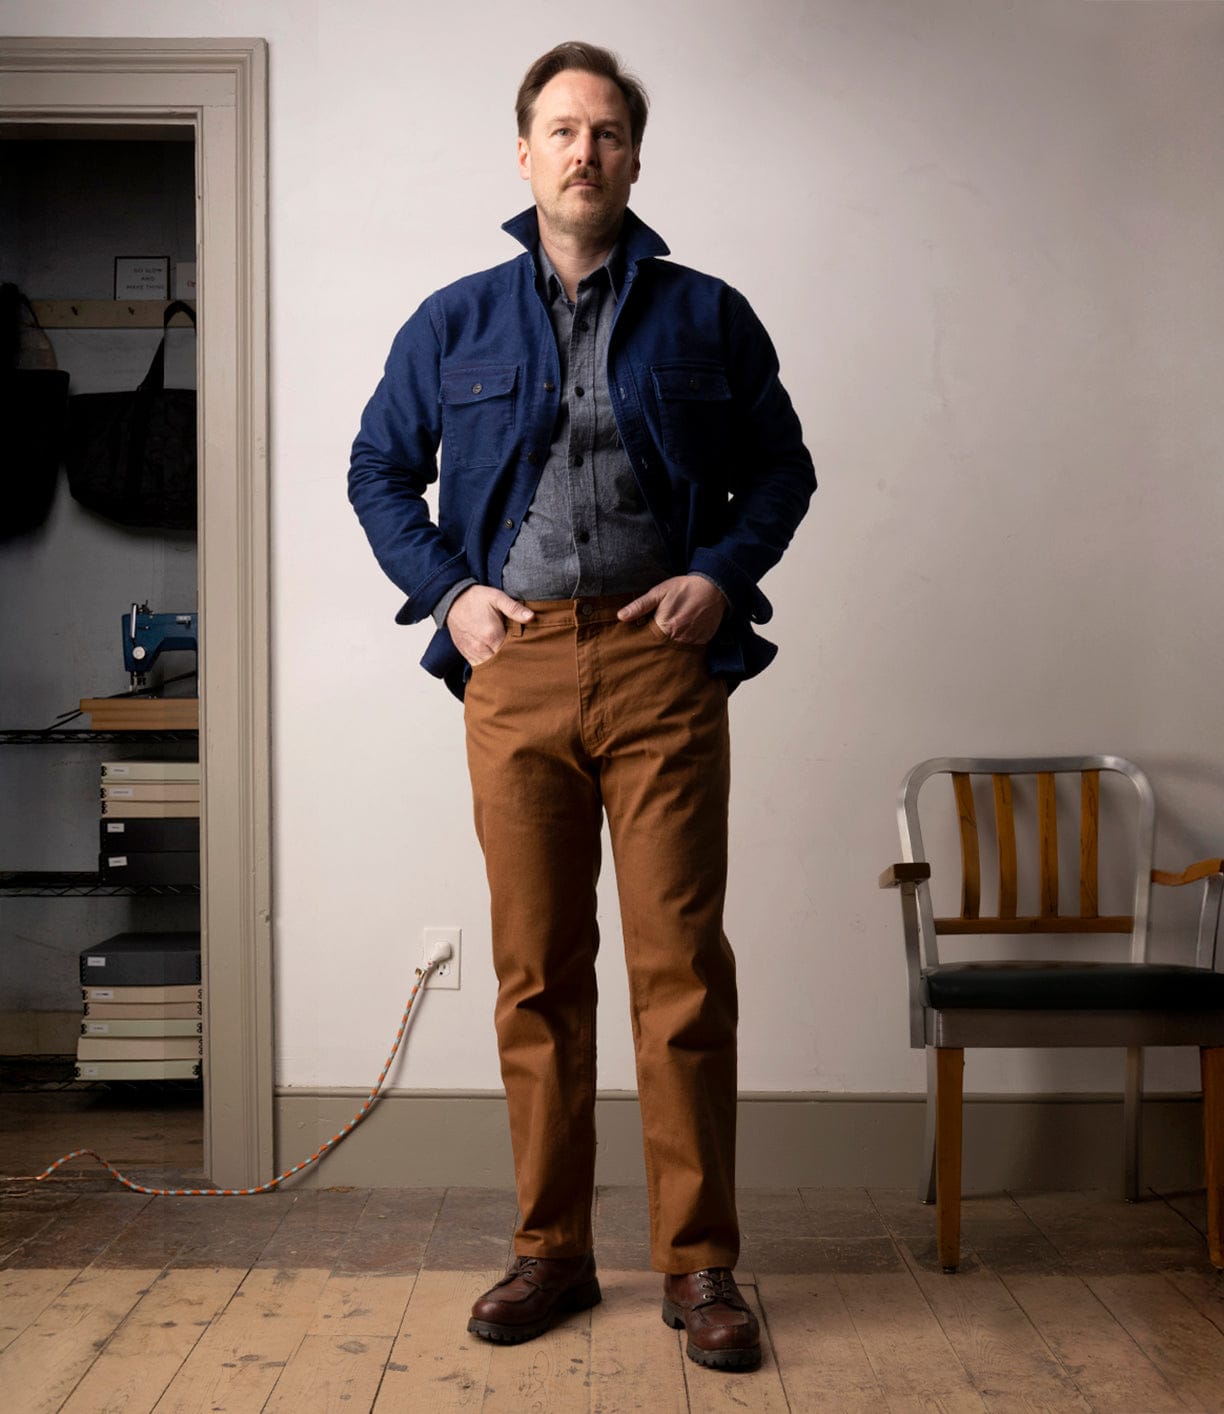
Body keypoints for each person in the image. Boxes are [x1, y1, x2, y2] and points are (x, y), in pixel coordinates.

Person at [349, 40, 815, 1372]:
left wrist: (721, 579)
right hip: (517, 672)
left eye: (607, 132)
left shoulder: (708, 315)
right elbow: (380, 472)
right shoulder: (452, 322)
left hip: (662, 665)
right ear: (523, 153)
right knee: (536, 973)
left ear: (634, 157)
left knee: (680, 974)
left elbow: (784, 471)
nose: (584, 152)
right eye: (562, 130)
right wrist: (451, 596)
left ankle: (699, 1261)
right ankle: (549, 1250)